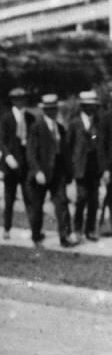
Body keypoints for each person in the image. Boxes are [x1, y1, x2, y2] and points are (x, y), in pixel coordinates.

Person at [27, 94, 75, 248]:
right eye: (49, 109)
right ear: (44, 110)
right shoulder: (36, 127)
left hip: (58, 173)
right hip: (41, 173)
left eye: (54, 109)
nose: (52, 112)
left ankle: (64, 237)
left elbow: (65, 152)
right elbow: (31, 152)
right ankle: (36, 235)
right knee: (37, 206)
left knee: (62, 204)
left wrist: (69, 173)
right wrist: (37, 171)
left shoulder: (60, 128)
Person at [0, 87, 34, 240]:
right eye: (17, 99)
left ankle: (34, 229)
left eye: (22, 99)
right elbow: (1, 140)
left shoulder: (30, 117)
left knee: (30, 197)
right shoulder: (6, 118)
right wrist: (8, 156)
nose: (20, 102)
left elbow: (34, 139)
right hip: (11, 164)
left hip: (26, 164)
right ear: (12, 101)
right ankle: (7, 228)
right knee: (9, 198)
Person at [68, 90, 103, 242]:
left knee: (94, 200)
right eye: (87, 106)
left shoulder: (98, 122)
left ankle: (90, 230)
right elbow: (68, 146)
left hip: (95, 168)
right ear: (82, 106)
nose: (91, 109)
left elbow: (101, 142)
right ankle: (77, 229)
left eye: (93, 106)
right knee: (81, 198)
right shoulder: (75, 123)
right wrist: (71, 166)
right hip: (80, 167)